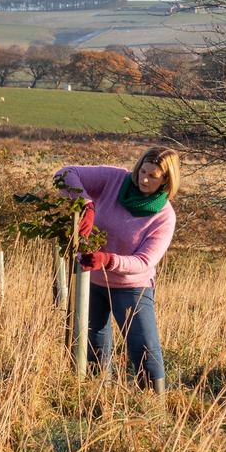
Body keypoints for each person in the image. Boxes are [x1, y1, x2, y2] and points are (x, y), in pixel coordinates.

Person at [55, 147, 179, 391]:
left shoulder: (164, 217)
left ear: (166, 179)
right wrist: (86, 203)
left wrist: (107, 260)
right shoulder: (114, 180)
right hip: (92, 282)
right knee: (93, 347)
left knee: (144, 350)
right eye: (142, 171)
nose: (144, 179)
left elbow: (145, 261)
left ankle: (154, 406)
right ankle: (97, 397)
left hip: (132, 288)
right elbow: (64, 173)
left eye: (153, 176)